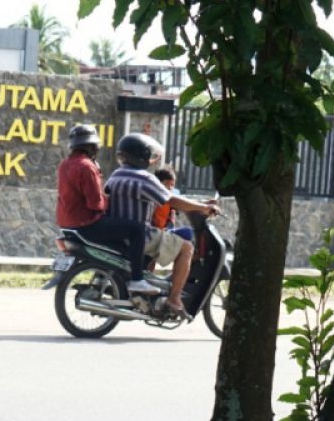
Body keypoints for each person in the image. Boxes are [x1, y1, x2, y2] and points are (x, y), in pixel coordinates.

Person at [105, 134, 220, 315]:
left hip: (118, 232)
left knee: (171, 237)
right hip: (140, 233)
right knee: (187, 248)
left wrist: (199, 204)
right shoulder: (144, 178)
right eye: (148, 156)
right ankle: (174, 299)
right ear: (141, 156)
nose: (151, 160)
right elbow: (171, 198)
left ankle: (156, 286)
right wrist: (204, 207)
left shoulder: (117, 174)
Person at [55, 124, 158, 294]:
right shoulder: (87, 166)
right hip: (87, 224)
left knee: (120, 245)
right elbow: (95, 204)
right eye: (95, 146)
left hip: (68, 224)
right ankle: (137, 279)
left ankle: (108, 278)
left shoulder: (65, 164)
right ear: (91, 146)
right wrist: (113, 201)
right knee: (137, 230)